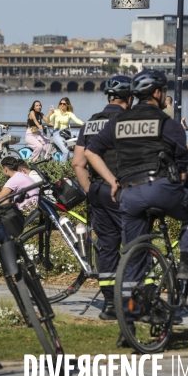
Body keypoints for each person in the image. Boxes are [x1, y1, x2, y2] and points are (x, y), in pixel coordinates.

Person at [84, 69, 188, 345]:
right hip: (160, 188)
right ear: (157, 93)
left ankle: (127, 327)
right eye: (163, 90)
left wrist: (112, 181)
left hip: (128, 195)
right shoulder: (167, 123)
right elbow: (182, 163)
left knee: (133, 258)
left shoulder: (118, 122)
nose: (165, 95)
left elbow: (91, 151)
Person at [72, 75, 133, 321]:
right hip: (122, 190)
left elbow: (78, 163)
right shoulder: (127, 121)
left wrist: (90, 190)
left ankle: (109, 304)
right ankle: (134, 301)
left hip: (97, 192)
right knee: (135, 243)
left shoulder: (90, 123)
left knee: (107, 247)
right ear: (130, 98)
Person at [47, 97, 83, 162]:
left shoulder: (69, 114)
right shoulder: (55, 112)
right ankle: (63, 167)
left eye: (64, 104)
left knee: (80, 133)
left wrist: (84, 124)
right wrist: (49, 114)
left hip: (66, 132)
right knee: (65, 151)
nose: (62, 105)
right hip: (57, 133)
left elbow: (77, 120)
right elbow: (48, 121)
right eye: (61, 104)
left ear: (67, 105)